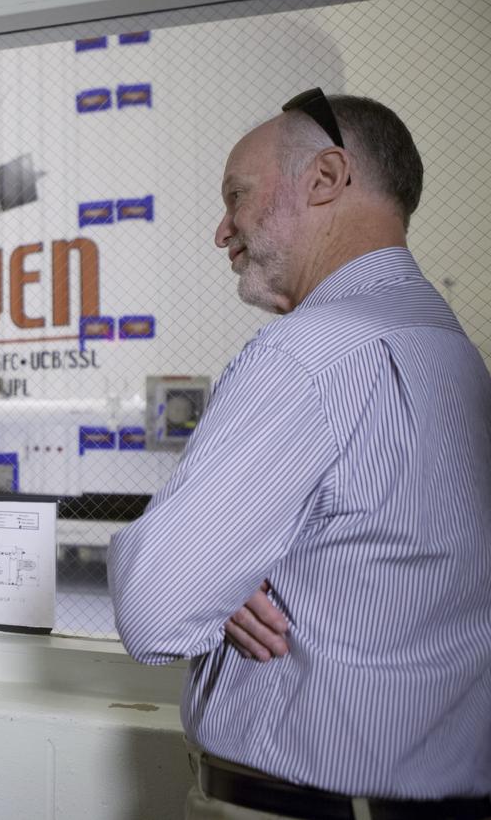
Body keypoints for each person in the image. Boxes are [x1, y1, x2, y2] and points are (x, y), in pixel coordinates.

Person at [108, 91, 491, 818]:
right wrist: (219, 578)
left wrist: (204, 576)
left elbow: (157, 609)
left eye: (237, 196)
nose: (223, 230)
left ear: (326, 178)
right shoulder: (455, 355)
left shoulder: (309, 354)